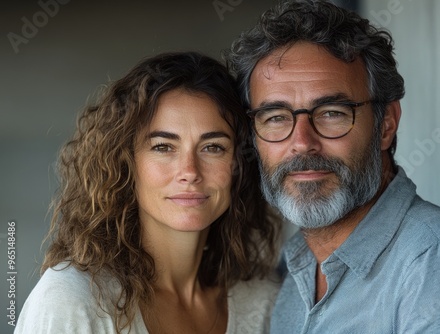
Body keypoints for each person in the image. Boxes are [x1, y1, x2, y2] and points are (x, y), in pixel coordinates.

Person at [224, 0, 440, 333]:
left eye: (331, 113)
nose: (301, 142)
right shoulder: (292, 272)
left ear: (386, 124)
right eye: (275, 117)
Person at [15, 52, 280, 334]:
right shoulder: (72, 300)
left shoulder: (263, 300)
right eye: (163, 147)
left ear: (240, 164)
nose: (190, 171)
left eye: (213, 147)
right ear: (126, 163)